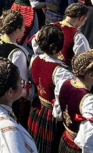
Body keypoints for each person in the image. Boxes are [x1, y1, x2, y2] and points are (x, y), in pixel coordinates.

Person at [28, 24, 74, 153]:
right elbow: (62, 102)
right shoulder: (61, 72)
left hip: (37, 108)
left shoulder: (35, 59)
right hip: (51, 115)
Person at [55, 51, 93, 153]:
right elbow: (85, 141)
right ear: (91, 75)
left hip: (65, 138)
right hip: (77, 149)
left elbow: (58, 113)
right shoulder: (90, 102)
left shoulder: (64, 83)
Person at [0, 10, 32, 126]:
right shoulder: (18, 53)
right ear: (17, 30)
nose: (24, 29)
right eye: (23, 26)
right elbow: (21, 82)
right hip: (11, 98)